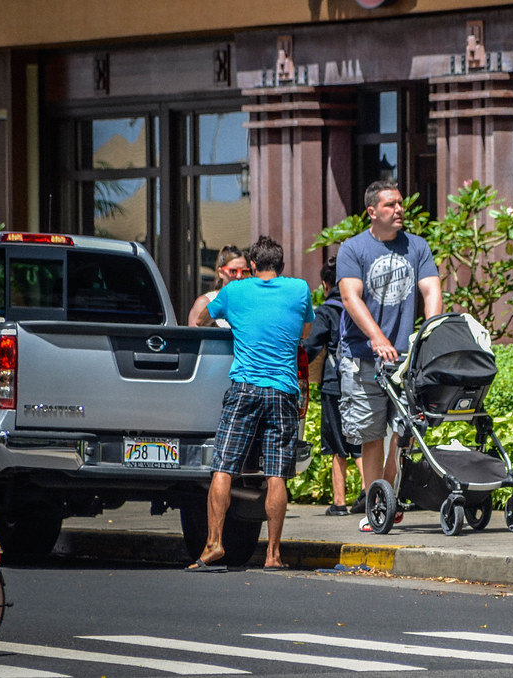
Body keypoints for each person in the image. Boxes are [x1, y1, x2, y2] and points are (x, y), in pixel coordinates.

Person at [187, 235, 314, 571]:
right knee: (276, 475)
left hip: (245, 387)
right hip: (283, 391)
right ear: (282, 265)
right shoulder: (299, 289)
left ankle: (214, 544)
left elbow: (200, 319)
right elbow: (305, 331)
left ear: (252, 266)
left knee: (224, 466)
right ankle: (273, 554)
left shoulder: (235, 291)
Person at [337, 180, 442, 532]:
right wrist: (377, 337)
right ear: (372, 212)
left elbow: (431, 289)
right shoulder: (354, 249)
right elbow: (351, 298)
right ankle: (376, 504)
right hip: (362, 356)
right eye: (390, 205)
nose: (398, 210)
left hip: (404, 360)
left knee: (404, 431)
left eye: (400, 204)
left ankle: (386, 497)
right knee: (371, 434)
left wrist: (431, 333)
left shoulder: (417, 246)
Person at [303, 257, 365, 516]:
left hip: (333, 383)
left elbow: (312, 345)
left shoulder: (326, 311)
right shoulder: (360, 306)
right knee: (360, 440)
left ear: (326, 284)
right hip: (361, 380)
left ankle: (339, 503)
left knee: (336, 442)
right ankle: (370, 491)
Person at [188, 245, 251, 327]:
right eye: (233, 271)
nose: (239, 276)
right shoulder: (206, 302)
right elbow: (194, 336)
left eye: (244, 272)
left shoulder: (251, 300)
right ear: (221, 272)